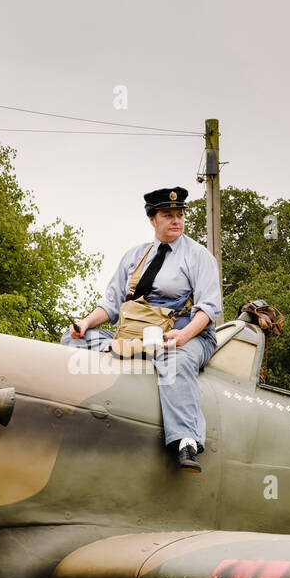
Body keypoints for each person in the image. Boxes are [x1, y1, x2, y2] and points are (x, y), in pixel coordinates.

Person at [62, 186, 222, 472]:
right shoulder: (134, 255)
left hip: (188, 332)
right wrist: (85, 323)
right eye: (168, 215)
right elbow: (111, 305)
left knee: (174, 359)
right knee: (74, 339)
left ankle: (186, 440)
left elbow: (209, 309)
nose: (176, 220)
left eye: (180, 215)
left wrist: (182, 336)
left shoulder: (198, 257)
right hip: (138, 334)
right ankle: (81, 400)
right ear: (152, 219)